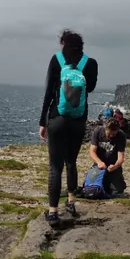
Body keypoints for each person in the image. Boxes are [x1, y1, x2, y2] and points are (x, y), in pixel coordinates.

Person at [39, 29, 98, 225]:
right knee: (71, 161)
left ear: (63, 43)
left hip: (57, 118)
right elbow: (89, 88)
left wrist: (43, 122)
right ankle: (71, 201)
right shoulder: (89, 63)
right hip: (78, 120)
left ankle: (53, 211)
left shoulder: (56, 60)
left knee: (55, 166)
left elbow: (49, 92)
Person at [88, 118, 128, 196]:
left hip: (113, 165)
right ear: (105, 128)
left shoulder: (121, 135)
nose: (111, 136)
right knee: (92, 190)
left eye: (113, 134)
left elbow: (121, 158)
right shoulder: (98, 131)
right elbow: (92, 151)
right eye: (109, 133)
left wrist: (115, 166)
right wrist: (99, 162)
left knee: (116, 193)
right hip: (99, 164)